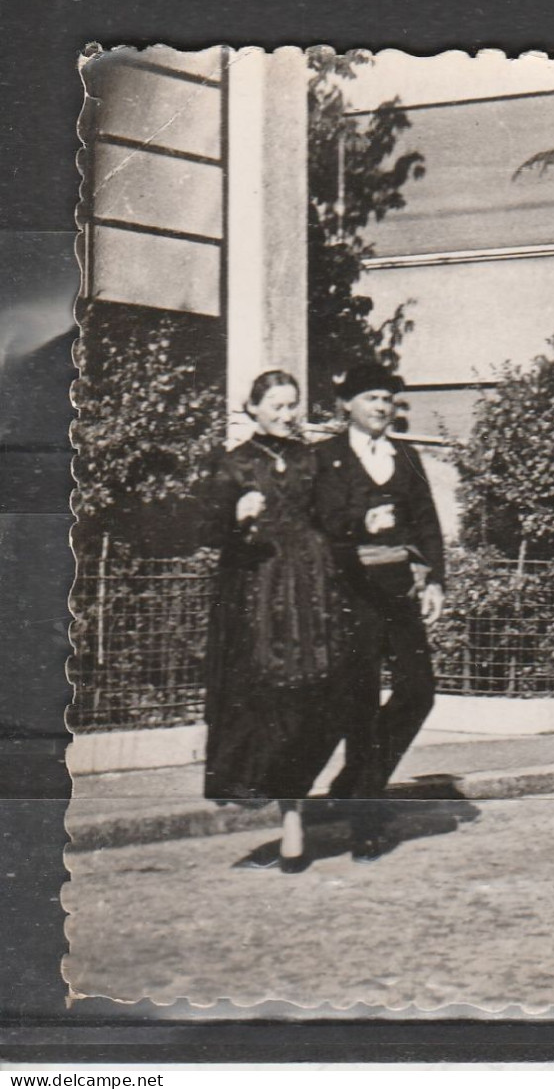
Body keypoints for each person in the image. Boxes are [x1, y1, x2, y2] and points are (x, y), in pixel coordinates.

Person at [201, 370, 347, 874]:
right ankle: (289, 819)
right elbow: (206, 529)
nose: (287, 415)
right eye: (278, 406)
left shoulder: (313, 460)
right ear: (254, 409)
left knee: (314, 703)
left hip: (313, 590)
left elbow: (335, 516)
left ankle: (294, 819)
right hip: (259, 594)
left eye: (293, 406)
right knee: (269, 703)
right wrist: (238, 515)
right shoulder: (234, 463)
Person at [313, 363, 446, 862]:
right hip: (348, 593)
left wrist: (434, 580)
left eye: (387, 398)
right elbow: (317, 523)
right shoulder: (324, 457)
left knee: (419, 690)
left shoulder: (405, 455)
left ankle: (353, 781)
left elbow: (428, 522)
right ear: (346, 404)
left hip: (396, 593)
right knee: (361, 705)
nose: (381, 406)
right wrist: (358, 523)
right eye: (371, 397)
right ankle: (366, 819)